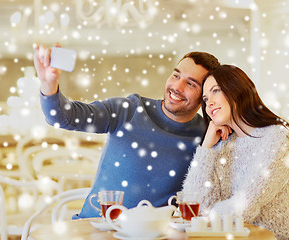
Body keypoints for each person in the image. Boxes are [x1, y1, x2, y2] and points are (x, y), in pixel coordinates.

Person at [33, 44, 220, 219]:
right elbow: (64, 117)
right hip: (96, 228)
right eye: (176, 76)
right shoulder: (128, 110)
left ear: (204, 97)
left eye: (191, 84)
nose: (177, 87)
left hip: (151, 236)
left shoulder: (206, 137)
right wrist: (48, 83)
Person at [182, 64, 289, 240]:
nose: (209, 103)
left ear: (237, 90)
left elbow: (242, 208)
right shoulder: (223, 145)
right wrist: (206, 147)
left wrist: (206, 216)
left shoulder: (277, 138)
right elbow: (193, 204)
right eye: (205, 99)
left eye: (216, 91)